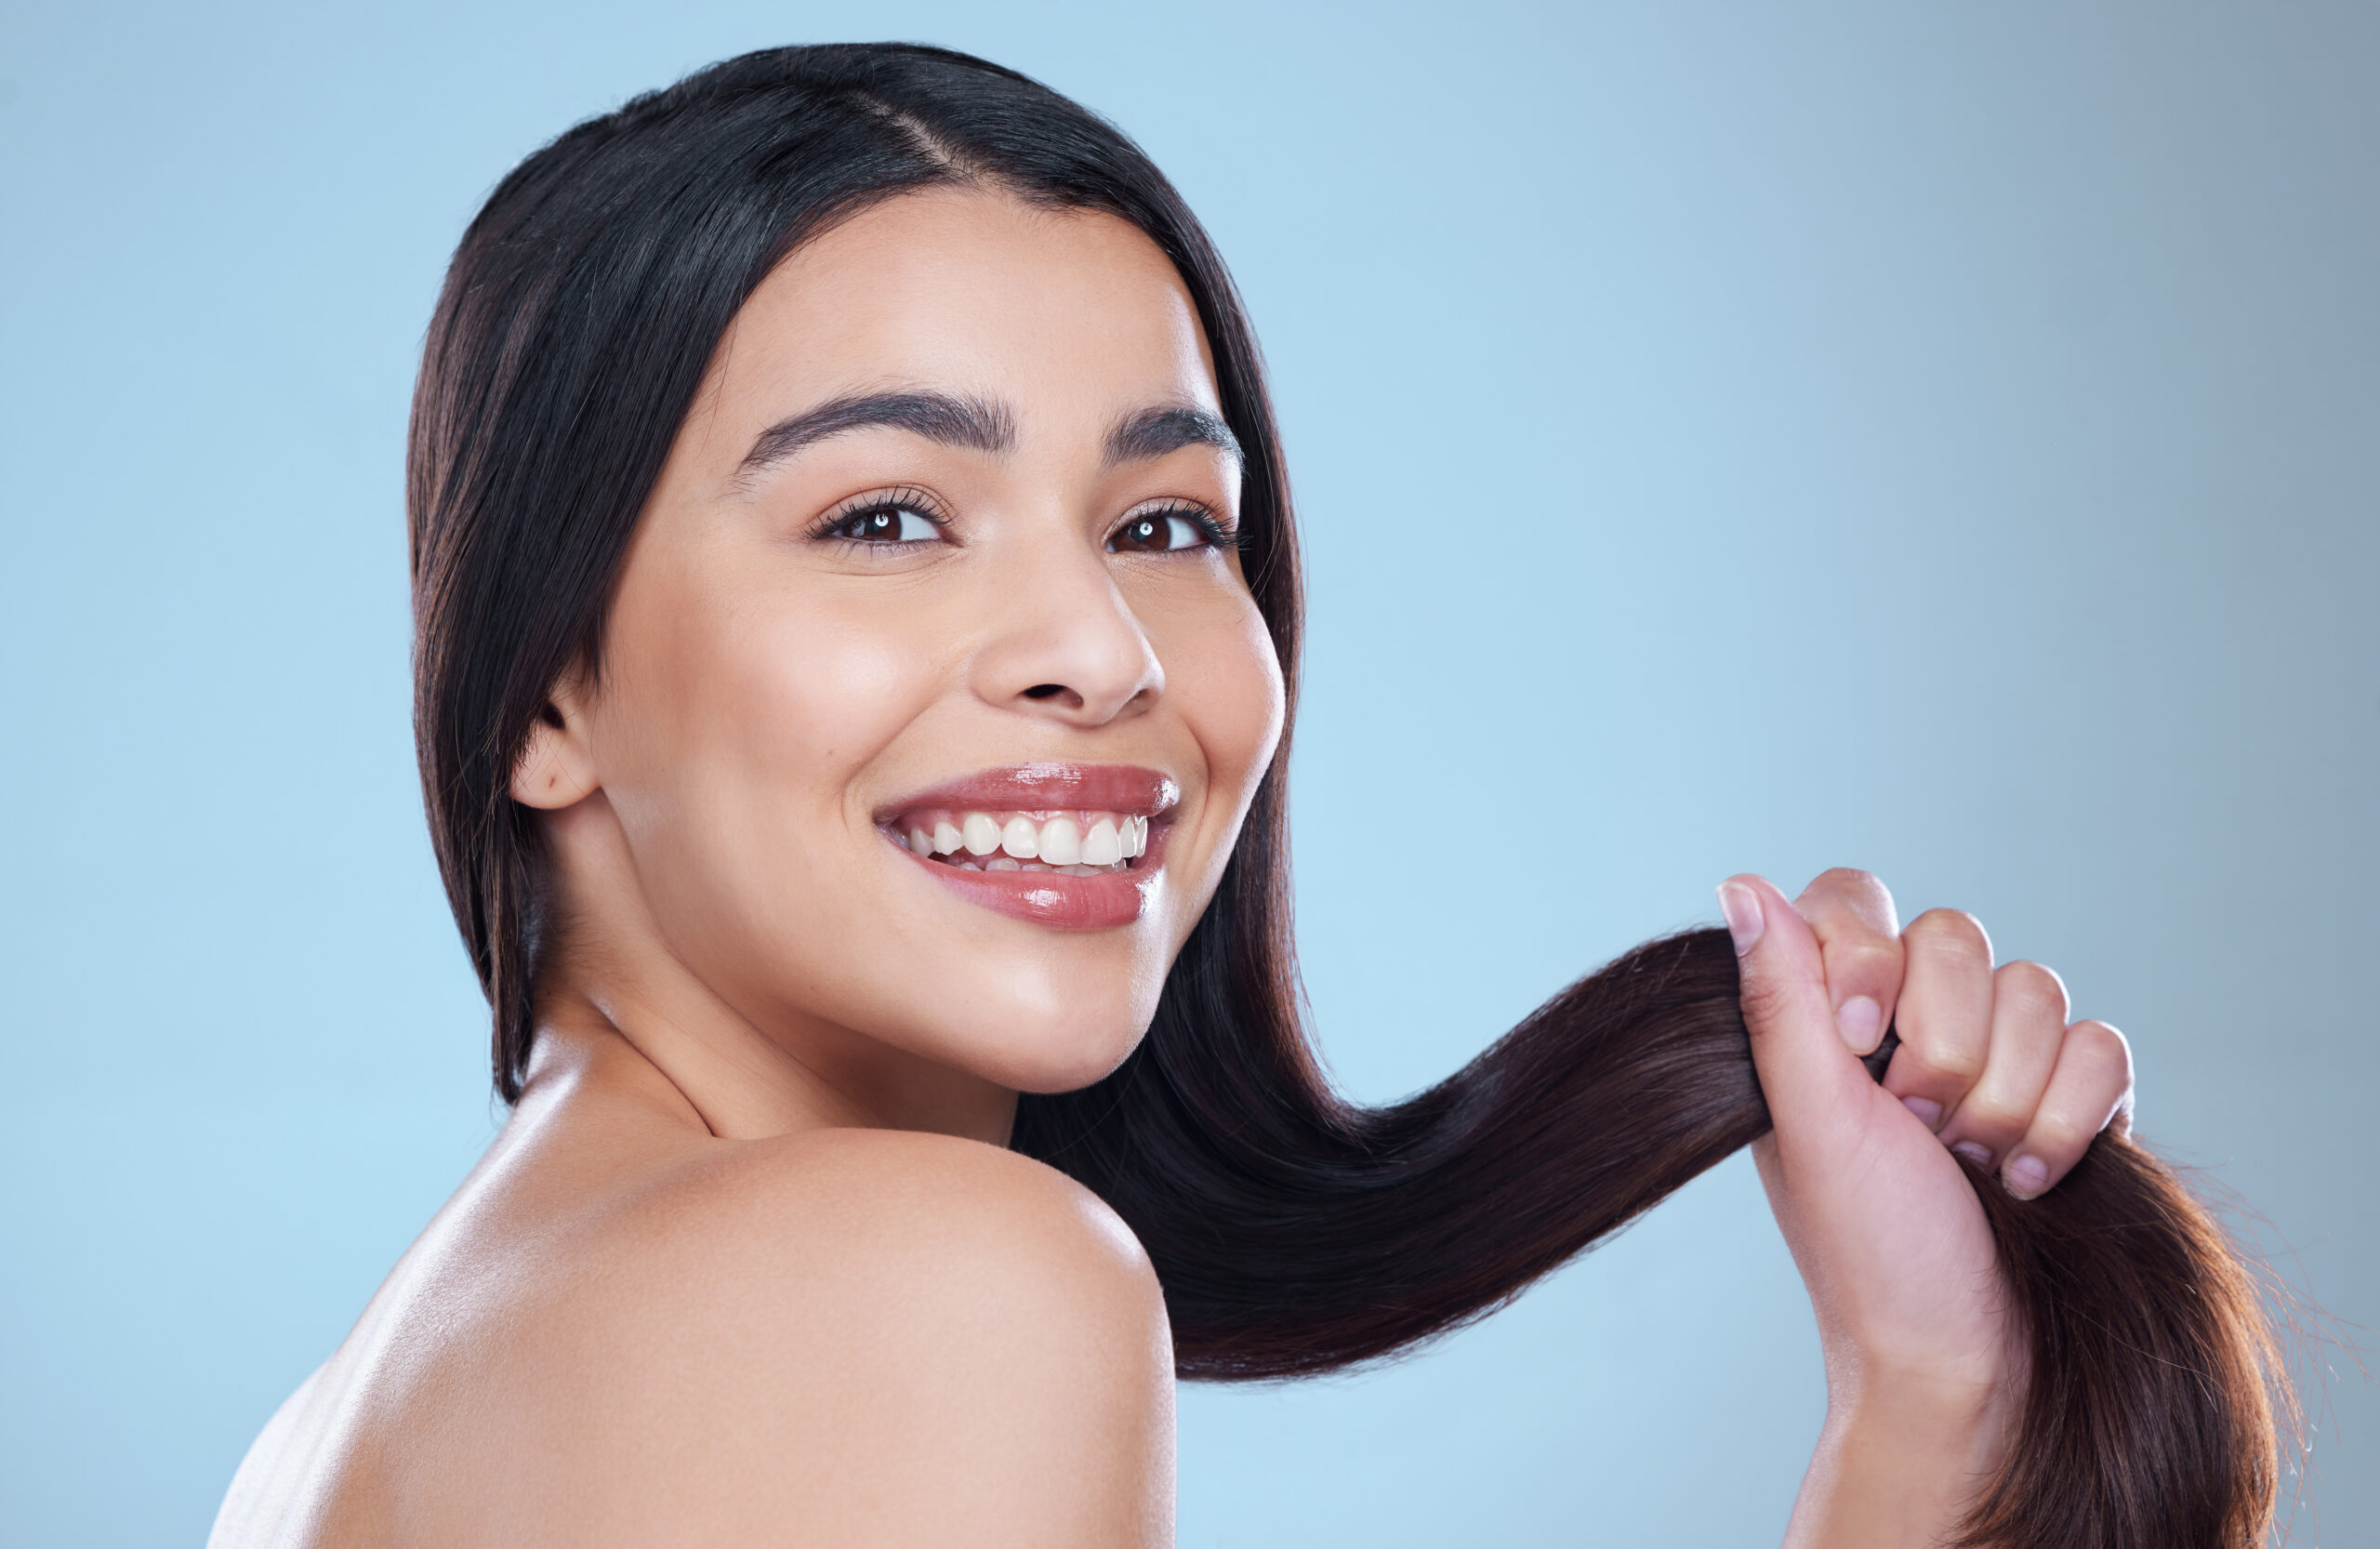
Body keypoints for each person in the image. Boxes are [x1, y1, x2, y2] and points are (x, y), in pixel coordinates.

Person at [209, 44, 2241, 1549]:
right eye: (889, 512)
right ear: (536, 694)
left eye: (1169, 520)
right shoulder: (910, 1273)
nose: (1098, 648)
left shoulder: (360, 1411)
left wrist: (1934, 1397)